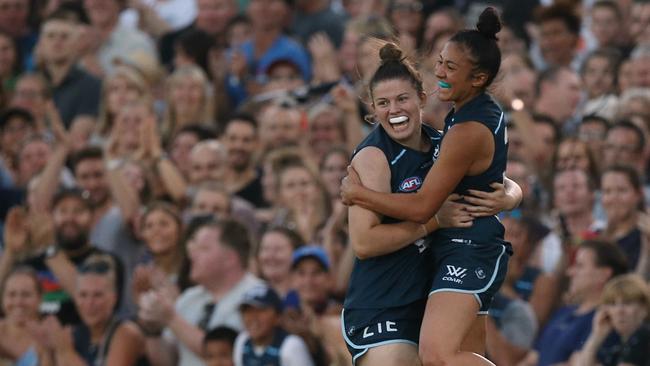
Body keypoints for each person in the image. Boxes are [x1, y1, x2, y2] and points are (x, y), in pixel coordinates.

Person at [341, 8, 515, 365]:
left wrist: (511, 195)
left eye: (402, 99)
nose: (394, 110)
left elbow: (490, 179)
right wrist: (435, 222)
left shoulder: (445, 139)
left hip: (435, 285)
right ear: (372, 111)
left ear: (421, 98)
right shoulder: (373, 157)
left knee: (453, 356)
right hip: (382, 303)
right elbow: (363, 243)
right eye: (383, 104)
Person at [576, 273, 650, 366]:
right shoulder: (619, 348)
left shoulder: (644, 336)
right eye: (613, 304)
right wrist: (597, 335)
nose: (619, 310)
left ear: (644, 308)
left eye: (627, 302)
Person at [233, 285, 315, 366]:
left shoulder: (291, 346)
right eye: (247, 311)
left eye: (261, 310)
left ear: (278, 317)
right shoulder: (242, 341)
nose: (253, 317)